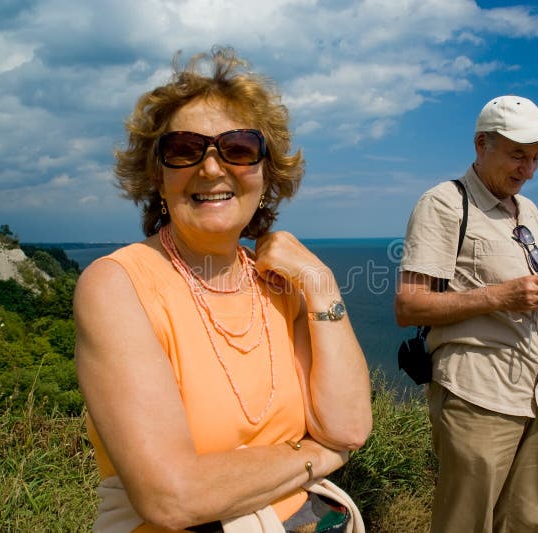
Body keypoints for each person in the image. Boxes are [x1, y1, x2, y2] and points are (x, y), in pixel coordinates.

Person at [74, 47, 372, 533]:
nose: (212, 168)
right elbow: (172, 496)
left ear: (266, 170)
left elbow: (349, 427)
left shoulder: (282, 286)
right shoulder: (118, 285)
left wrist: (321, 284)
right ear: (157, 172)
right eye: (184, 149)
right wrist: (318, 456)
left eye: (237, 148)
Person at [394, 95, 538, 533]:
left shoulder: (530, 211)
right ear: (481, 144)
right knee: (465, 525)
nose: (528, 170)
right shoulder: (445, 204)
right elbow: (408, 305)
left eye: (537, 158)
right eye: (517, 155)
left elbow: (530, 306)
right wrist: (502, 295)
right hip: (477, 397)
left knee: (527, 523)